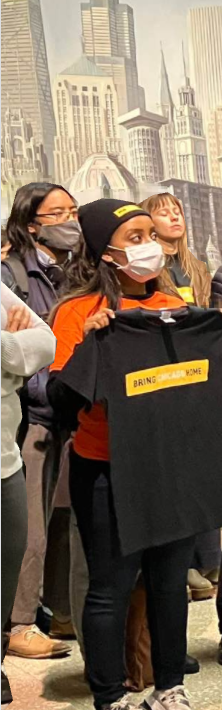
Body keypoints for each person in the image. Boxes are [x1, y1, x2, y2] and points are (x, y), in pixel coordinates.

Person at [45, 199, 214, 710]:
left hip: (171, 467)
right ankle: (111, 697)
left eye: (151, 233)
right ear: (105, 250)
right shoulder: (78, 312)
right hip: (105, 469)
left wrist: (216, 329)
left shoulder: (172, 304)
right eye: (135, 235)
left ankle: (169, 687)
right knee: (110, 587)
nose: (150, 245)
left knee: (169, 583)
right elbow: (60, 399)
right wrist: (91, 346)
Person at [1, 183, 77, 660]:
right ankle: (19, 621)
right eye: (58, 212)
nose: (70, 219)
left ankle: (62, 611)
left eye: (73, 210)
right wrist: (28, 350)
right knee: (30, 527)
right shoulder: (11, 274)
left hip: (72, 408)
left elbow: (44, 343)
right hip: (34, 416)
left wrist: (31, 344)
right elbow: (22, 353)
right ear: (32, 224)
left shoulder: (72, 270)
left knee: (65, 520)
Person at [141, 193, 219, 602]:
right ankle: (181, 563)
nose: (174, 216)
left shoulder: (197, 268)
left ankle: (205, 559)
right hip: (164, 379)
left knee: (200, 471)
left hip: (199, 378)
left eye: (178, 210)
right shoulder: (147, 271)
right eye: (163, 211)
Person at [2, 283, 57, 705]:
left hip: (6, 458)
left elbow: (45, 343)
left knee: (7, 562)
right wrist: (13, 347)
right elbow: (24, 351)